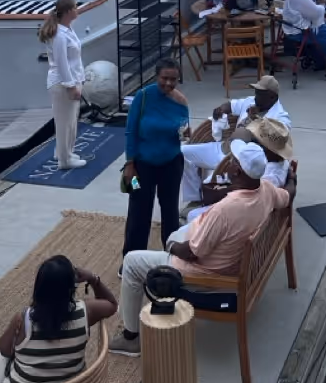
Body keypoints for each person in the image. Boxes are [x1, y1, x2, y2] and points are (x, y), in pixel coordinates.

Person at [112, 140, 295, 355]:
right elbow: (288, 194)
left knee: (132, 261)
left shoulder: (227, 210)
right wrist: (291, 177)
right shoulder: (265, 189)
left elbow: (192, 253)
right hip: (227, 257)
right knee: (179, 231)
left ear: (237, 170)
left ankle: (131, 338)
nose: (229, 161)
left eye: (233, 160)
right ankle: (152, 297)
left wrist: (172, 247)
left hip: (205, 270)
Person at [0, 255, 117, 383]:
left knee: (0, 358)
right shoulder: (85, 313)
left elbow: (4, 349)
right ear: (72, 287)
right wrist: (93, 279)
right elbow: (111, 304)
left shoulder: (22, 320)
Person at [180, 75, 290, 209]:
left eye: (260, 94)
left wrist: (255, 120)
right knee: (182, 153)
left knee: (214, 186)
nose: (256, 96)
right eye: (256, 92)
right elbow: (230, 105)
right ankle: (195, 200)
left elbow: (277, 146)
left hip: (240, 163)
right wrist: (221, 110)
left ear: (272, 97)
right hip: (223, 148)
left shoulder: (281, 117)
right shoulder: (250, 102)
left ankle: (210, 209)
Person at [122, 61, 190, 258]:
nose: (168, 83)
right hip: (140, 167)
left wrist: (185, 134)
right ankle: (131, 259)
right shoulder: (143, 97)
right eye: (164, 78)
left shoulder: (181, 102)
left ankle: (172, 257)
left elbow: (182, 131)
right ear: (156, 76)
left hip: (172, 164)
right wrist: (129, 164)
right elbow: (131, 132)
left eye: (173, 79)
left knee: (170, 213)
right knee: (138, 212)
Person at [38, 0, 86, 170]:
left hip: (73, 80)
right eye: (74, 7)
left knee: (71, 121)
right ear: (67, 12)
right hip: (62, 84)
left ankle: (65, 152)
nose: (77, 10)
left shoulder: (68, 29)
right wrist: (71, 86)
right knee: (64, 122)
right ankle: (64, 160)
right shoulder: (59, 35)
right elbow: (62, 62)